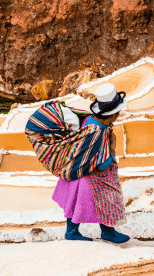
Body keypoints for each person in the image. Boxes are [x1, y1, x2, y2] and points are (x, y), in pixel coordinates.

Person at [51, 83, 130, 244]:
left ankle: (74, 231)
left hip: (79, 170)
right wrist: (112, 148)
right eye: (118, 112)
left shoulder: (89, 120)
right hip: (91, 175)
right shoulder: (98, 133)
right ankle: (107, 232)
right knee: (108, 198)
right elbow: (101, 164)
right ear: (111, 114)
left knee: (75, 202)